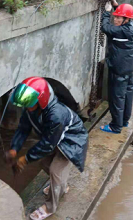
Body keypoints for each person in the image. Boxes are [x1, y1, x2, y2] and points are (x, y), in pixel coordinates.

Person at [5, 77, 88, 220]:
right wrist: (14, 148)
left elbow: (48, 143)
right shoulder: (31, 110)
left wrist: (25, 158)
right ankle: (61, 187)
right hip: (57, 138)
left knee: (56, 171)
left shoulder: (56, 114)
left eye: (29, 105)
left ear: (41, 100)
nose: (27, 108)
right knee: (44, 164)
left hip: (72, 141)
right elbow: (23, 129)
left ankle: (50, 207)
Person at [100, 0, 133, 134]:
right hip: (128, 67)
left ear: (126, 20)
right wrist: (116, 6)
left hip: (118, 68)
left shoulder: (120, 30)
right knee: (127, 94)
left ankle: (115, 126)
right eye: (115, 17)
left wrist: (107, 11)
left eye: (118, 18)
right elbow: (122, 16)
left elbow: (105, 27)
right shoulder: (132, 26)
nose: (115, 20)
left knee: (117, 97)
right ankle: (124, 121)